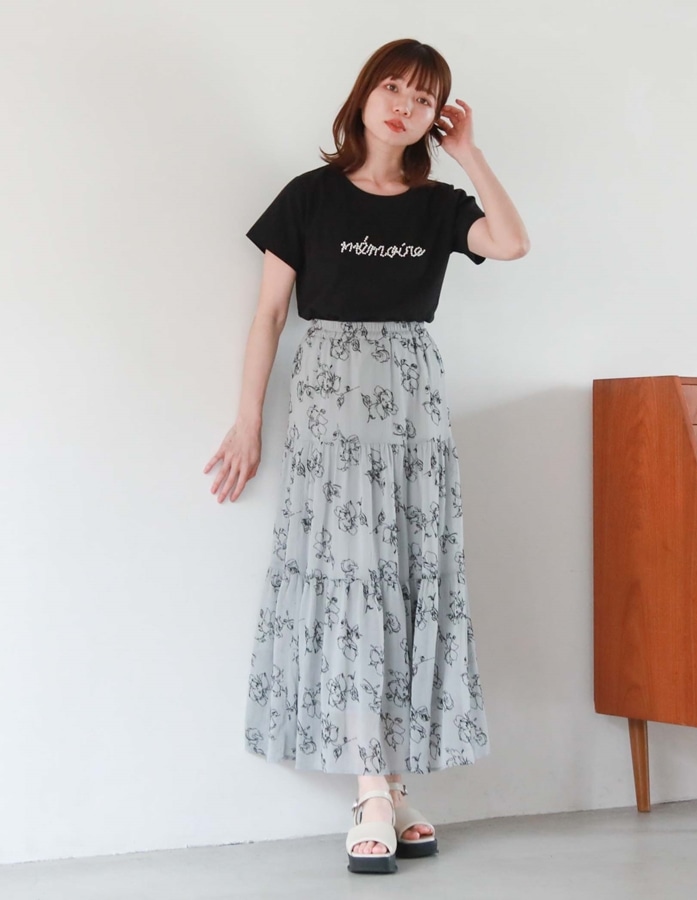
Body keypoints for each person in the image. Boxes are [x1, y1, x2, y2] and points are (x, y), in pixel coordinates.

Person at [204, 38, 529, 875]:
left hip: (414, 409)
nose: (405, 107)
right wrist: (248, 422)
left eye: (424, 100)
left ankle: (393, 784)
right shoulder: (308, 198)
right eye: (394, 88)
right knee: (351, 583)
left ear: (435, 118)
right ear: (364, 95)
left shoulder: (439, 205)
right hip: (331, 410)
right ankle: (371, 792)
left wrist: (471, 155)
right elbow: (269, 317)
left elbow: (511, 243)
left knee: (409, 582)